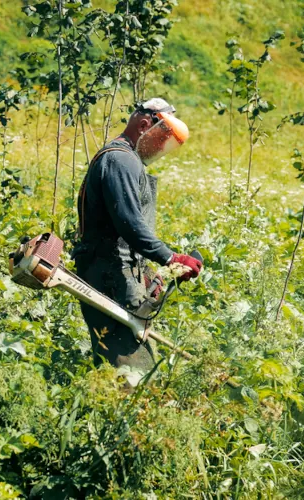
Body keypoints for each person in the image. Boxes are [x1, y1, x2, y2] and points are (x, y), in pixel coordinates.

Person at [73, 98, 202, 383]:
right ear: (145, 124)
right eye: (161, 139)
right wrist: (172, 259)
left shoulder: (122, 159)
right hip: (111, 277)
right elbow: (129, 223)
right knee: (131, 373)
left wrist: (146, 274)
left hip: (118, 272)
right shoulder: (121, 160)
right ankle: (124, 422)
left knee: (131, 361)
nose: (159, 149)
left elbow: (121, 232)